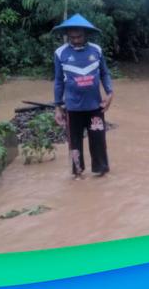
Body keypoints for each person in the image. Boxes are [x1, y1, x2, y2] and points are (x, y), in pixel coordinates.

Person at [52, 14, 114, 180]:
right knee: (74, 143)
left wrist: (110, 93)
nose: (76, 40)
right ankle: (78, 172)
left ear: (86, 34)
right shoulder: (60, 53)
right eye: (72, 37)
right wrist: (58, 107)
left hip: (95, 106)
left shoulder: (96, 51)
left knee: (98, 141)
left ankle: (101, 172)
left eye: (79, 36)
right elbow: (58, 81)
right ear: (67, 36)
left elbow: (104, 73)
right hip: (72, 108)